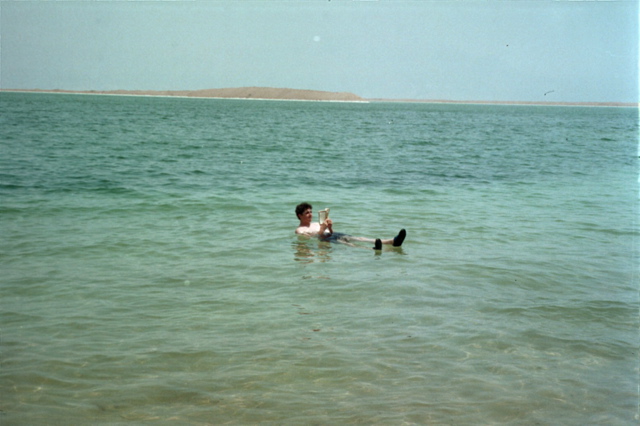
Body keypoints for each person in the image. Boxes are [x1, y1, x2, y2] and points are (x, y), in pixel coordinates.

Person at [295, 202, 406, 250]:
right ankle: (372, 249)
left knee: (359, 238)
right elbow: (311, 239)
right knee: (349, 244)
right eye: (307, 213)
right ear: (300, 215)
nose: (310, 214)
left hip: (331, 235)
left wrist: (329, 227)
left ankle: (392, 241)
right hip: (324, 240)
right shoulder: (300, 230)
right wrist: (322, 230)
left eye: (311, 212)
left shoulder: (315, 223)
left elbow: (330, 232)